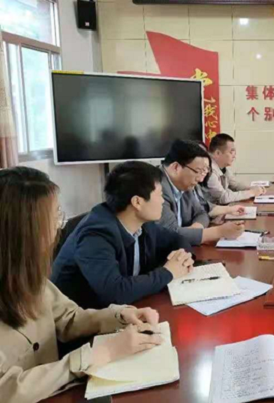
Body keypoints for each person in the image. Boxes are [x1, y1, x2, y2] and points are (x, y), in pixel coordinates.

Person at [0, 167, 164, 402]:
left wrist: (120, 315)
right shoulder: (98, 230)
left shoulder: (29, 276)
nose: (57, 226)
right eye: (53, 216)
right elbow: (6, 390)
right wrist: (99, 354)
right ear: (22, 229)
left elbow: (69, 318)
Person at [52, 161, 195, 309]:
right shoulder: (96, 236)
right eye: (159, 195)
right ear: (137, 202)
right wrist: (168, 272)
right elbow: (115, 293)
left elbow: (177, 239)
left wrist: (182, 257)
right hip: (79, 318)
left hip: (125, 310)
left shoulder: (142, 223)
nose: (163, 201)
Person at [159, 139, 245, 245]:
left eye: (204, 172)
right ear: (176, 167)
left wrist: (195, 230)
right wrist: (219, 232)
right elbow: (170, 234)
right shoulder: (157, 187)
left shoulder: (184, 183)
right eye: (198, 171)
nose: (200, 179)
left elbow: (201, 212)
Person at [202, 133, 266, 204]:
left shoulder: (222, 167)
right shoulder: (208, 169)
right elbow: (223, 197)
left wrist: (252, 188)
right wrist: (251, 193)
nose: (234, 156)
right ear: (218, 153)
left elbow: (235, 185)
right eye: (231, 152)